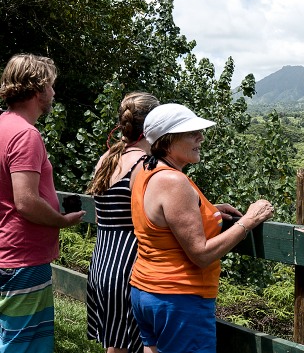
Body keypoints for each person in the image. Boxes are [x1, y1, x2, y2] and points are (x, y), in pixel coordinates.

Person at [129, 103, 275, 353]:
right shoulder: (175, 182)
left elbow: (159, 215)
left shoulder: (145, 170)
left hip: (145, 290)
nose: (201, 138)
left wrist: (208, 209)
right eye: (191, 133)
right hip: (179, 297)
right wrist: (247, 221)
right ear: (167, 140)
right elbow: (201, 254)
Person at [0, 53, 85, 353]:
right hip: (22, 257)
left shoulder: (2, 125)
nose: (54, 93)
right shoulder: (25, 135)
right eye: (51, 86)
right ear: (37, 89)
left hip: (6, 253)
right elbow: (25, 201)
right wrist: (61, 221)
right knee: (22, 347)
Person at [86, 92, 160, 353]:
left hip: (102, 262)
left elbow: (100, 215)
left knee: (115, 345)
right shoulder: (144, 165)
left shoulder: (106, 160)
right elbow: (158, 217)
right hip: (129, 265)